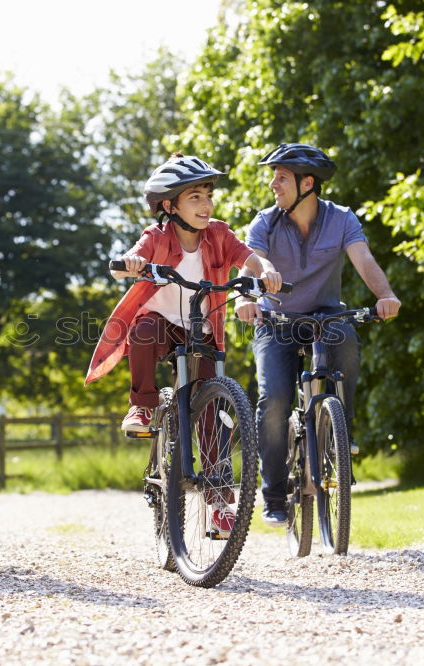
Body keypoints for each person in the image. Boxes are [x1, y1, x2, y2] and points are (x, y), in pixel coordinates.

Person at [85, 153, 282, 533]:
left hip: (200, 329)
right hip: (161, 324)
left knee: (215, 413)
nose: (206, 204)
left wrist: (266, 271)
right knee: (141, 332)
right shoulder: (157, 236)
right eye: (195, 197)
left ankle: (219, 503)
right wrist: (132, 263)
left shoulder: (219, 234)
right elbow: (137, 253)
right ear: (169, 205)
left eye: (208, 196)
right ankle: (141, 407)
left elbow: (247, 257)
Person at [237, 143, 401, 527]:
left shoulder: (342, 219)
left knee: (345, 338)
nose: (273, 184)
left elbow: (364, 260)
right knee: (274, 399)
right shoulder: (265, 222)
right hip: (276, 319)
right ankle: (274, 494)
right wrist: (247, 296)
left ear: (307, 183)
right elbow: (254, 262)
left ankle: (340, 430)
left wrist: (386, 296)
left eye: (281, 177)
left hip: (325, 316)